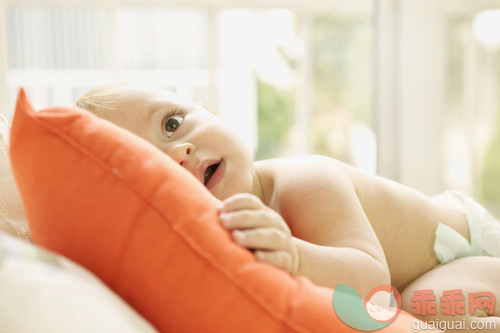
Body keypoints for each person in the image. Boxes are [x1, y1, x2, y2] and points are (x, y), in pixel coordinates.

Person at [76, 81, 500, 328]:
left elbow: (372, 285)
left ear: (210, 112)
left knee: (418, 312)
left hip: (464, 245)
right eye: (154, 165)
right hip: (419, 268)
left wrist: (294, 256)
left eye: (172, 124)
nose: (180, 152)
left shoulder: (305, 182)